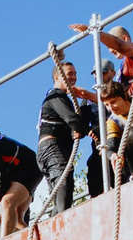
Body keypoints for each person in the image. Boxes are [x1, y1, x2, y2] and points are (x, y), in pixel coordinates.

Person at [36, 49, 102, 210]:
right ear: (57, 77)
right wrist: (88, 131)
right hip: (52, 148)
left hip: (53, 149)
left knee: (59, 193)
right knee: (64, 185)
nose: (73, 77)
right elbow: (72, 120)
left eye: (75, 74)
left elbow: (73, 121)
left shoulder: (63, 98)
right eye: (69, 74)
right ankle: (62, 224)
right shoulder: (55, 95)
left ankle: (56, 226)